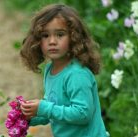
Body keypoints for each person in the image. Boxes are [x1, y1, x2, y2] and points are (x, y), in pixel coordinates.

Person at [19, 4, 108, 137]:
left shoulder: (77, 74)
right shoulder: (50, 69)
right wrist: (31, 116)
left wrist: (44, 108)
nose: (52, 41)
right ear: (37, 40)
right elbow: (55, 111)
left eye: (60, 34)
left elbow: (83, 114)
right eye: (45, 35)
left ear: (74, 37)